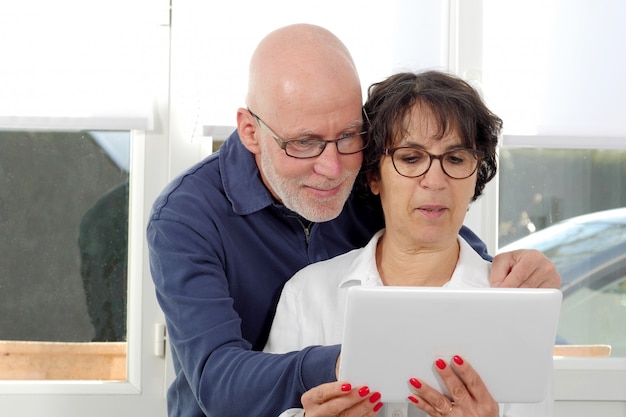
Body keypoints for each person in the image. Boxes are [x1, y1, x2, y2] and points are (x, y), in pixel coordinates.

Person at [146, 24, 560, 417]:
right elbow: (218, 382)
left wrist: (514, 279)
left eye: (349, 135)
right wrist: (355, 363)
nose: (332, 167)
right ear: (251, 132)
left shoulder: (358, 172)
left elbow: (433, 226)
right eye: (305, 143)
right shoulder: (188, 219)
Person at [264, 70, 554, 417]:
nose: (435, 180)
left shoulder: (517, 305)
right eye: (411, 158)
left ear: (477, 171)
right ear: (373, 174)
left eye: (456, 158)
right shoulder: (307, 295)